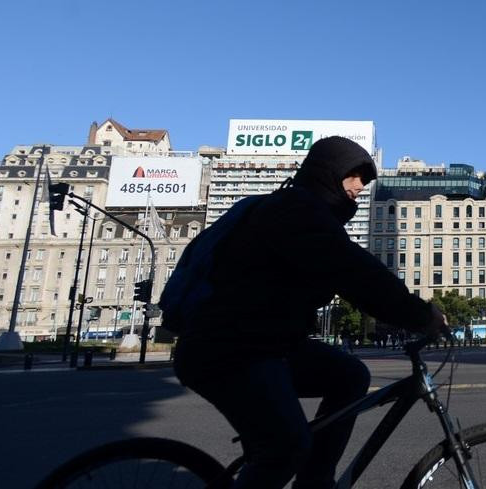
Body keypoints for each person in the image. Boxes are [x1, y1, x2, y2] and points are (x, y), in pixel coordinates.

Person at [173, 136, 446, 489]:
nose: (361, 187)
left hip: (265, 345)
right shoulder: (297, 211)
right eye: (356, 175)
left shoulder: (307, 212)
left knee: (349, 375)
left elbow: (351, 271)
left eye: (365, 179)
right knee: (284, 447)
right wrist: (421, 315)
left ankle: (314, 483)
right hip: (226, 350)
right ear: (329, 171)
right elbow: (356, 274)